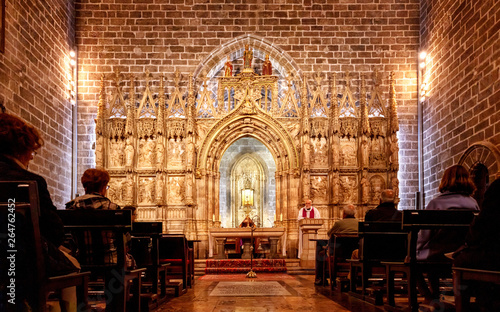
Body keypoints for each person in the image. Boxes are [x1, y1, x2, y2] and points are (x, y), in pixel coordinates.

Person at [0, 113, 79, 311]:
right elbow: (55, 232)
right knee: (72, 266)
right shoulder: (30, 181)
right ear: (23, 149)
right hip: (21, 263)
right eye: (32, 152)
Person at [416, 164, 479, 304]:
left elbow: (425, 235)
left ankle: (430, 296)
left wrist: (416, 250)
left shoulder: (436, 203)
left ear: (445, 180)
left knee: (411, 261)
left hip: (437, 255)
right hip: (462, 255)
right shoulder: (473, 204)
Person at [453, 177, 500, 310]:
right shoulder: (472, 202)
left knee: (462, 260)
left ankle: (468, 306)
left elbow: (482, 227)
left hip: (494, 256)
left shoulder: (497, 188)